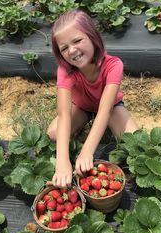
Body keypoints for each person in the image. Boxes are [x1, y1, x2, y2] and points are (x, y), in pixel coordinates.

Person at [47, 9, 138, 188]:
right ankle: (85, 122)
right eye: (64, 48)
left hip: (110, 108)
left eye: (77, 40)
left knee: (135, 142)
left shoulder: (113, 65)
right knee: (53, 133)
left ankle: (93, 130)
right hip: (82, 107)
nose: (72, 50)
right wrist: (62, 161)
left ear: (92, 37)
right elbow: (64, 114)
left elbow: (105, 109)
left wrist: (86, 152)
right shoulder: (65, 70)